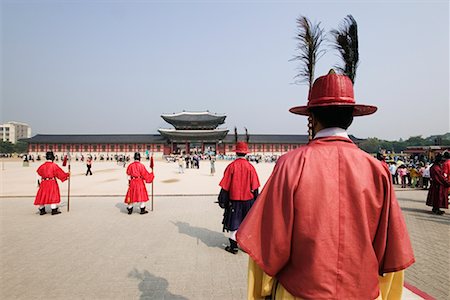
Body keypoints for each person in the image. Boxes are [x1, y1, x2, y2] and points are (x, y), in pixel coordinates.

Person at [236, 71, 415, 299]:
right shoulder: (377, 169)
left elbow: (269, 244)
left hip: (299, 293)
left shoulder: (290, 164)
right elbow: (391, 249)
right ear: (351, 117)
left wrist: (262, 291)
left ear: (312, 117)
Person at [218, 141, 260, 254]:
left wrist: (222, 200)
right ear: (246, 154)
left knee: (233, 223)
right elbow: (255, 186)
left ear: (236, 153)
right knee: (246, 223)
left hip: (234, 200)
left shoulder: (231, 166)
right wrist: (256, 200)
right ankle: (246, 246)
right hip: (248, 200)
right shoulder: (251, 167)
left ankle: (233, 247)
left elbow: (225, 186)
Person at [34, 151, 70, 215]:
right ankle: (54, 209)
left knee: (43, 195)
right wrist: (67, 174)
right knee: (53, 195)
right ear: (53, 158)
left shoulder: (42, 166)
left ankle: (42, 209)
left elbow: (38, 175)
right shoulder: (54, 166)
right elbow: (60, 174)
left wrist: (38, 184)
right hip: (52, 182)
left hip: (44, 182)